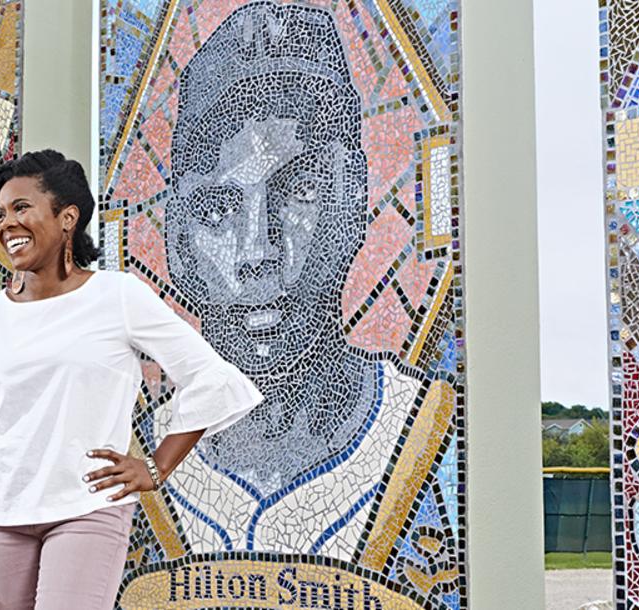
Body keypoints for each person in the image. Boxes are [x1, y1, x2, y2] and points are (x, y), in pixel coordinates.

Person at [0, 150, 263, 609]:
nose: (6, 224)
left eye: (21, 208)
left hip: (87, 508)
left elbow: (211, 378)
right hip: (0, 513)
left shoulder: (118, 297)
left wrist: (156, 466)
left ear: (67, 217)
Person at [161, 0, 420, 557]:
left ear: (353, 204)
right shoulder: (135, 453)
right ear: (178, 242)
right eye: (217, 209)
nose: (257, 252)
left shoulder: (422, 434)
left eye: (298, 191)